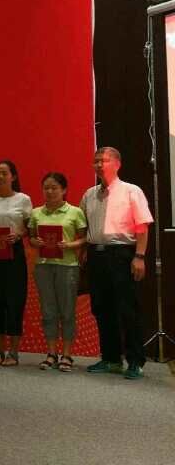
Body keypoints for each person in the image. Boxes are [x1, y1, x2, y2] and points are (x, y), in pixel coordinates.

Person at [80, 147, 152, 380]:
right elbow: (84, 226)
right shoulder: (89, 194)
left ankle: (135, 361)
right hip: (96, 255)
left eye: (104, 160)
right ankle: (111, 358)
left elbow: (142, 226)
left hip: (122, 254)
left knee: (127, 308)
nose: (99, 165)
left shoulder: (131, 191)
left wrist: (139, 256)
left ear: (117, 164)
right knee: (102, 308)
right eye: (96, 161)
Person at [28, 172, 87, 372]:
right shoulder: (36, 213)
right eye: (46, 188)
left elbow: (84, 238)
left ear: (64, 190)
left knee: (67, 311)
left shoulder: (75, 212)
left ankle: (67, 354)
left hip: (67, 266)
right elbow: (31, 238)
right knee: (48, 311)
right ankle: (51, 353)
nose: (50, 191)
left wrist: (69, 245)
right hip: (43, 266)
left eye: (54, 188)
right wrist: (35, 242)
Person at [0, 160, 32, 366]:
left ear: (13, 176)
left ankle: (13, 352)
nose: (1, 176)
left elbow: (30, 227)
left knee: (15, 300)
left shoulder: (23, 199)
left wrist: (19, 234)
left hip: (15, 253)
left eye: (5, 173)